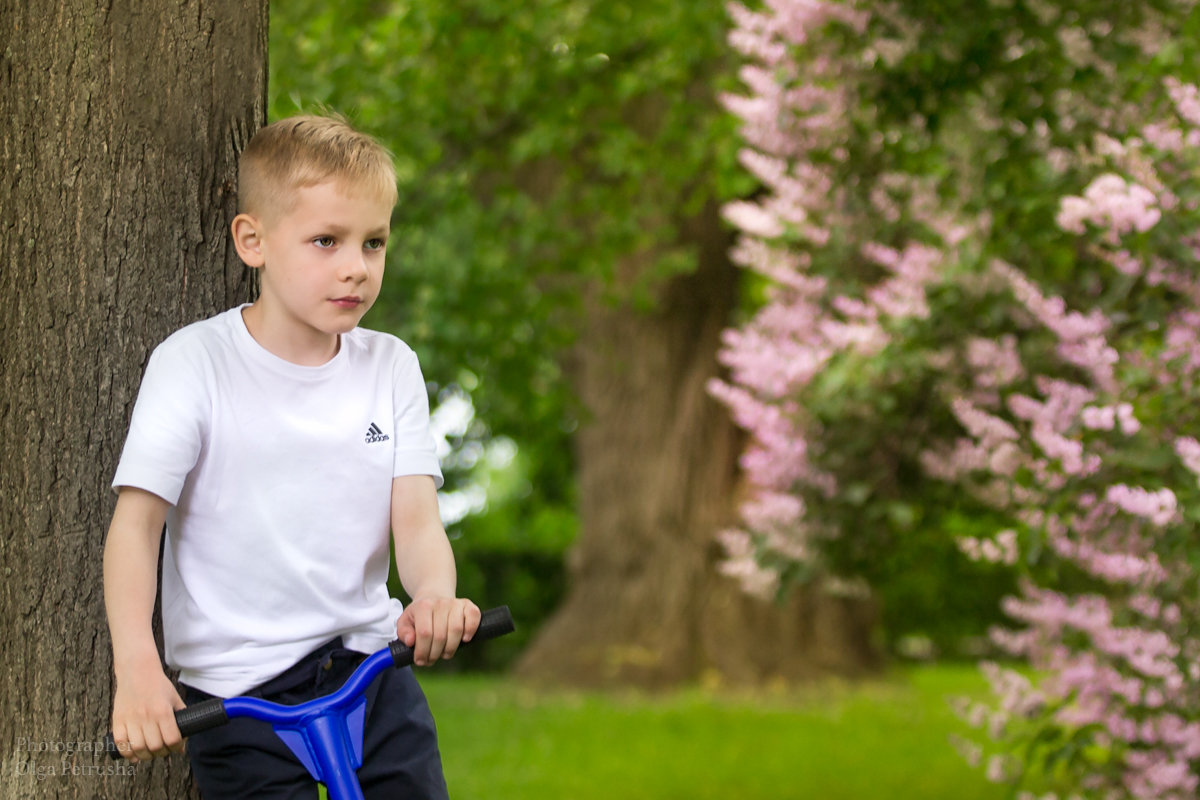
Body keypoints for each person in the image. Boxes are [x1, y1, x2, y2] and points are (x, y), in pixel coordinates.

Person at [103, 114, 478, 799]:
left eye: (374, 243)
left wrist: (433, 596)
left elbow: (417, 521)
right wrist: (138, 669)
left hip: (369, 668)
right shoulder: (194, 365)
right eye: (325, 241)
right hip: (238, 695)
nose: (355, 267)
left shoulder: (390, 367)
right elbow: (136, 525)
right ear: (254, 241)